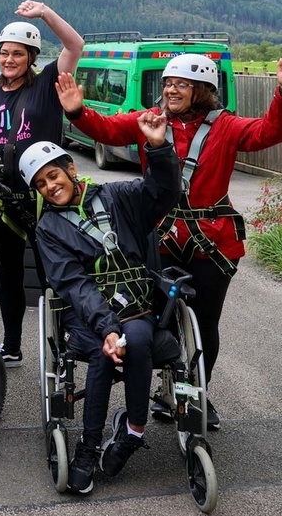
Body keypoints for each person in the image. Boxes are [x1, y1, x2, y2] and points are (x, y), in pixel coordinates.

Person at [56, 54, 282, 428]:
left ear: (203, 91)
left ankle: (197, 396)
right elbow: (109, 130)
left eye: (181, 84)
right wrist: (78, 112)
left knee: (205, 324)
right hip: (159, 239)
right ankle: (166, 390)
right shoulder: (149, 119)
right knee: (157, 323)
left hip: (211, 240)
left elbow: (268, 132)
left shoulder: (224, 127)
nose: (171, 90)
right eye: (167, 83)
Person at [19, 116, 180, 494]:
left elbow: (163, 192)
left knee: (138, 341)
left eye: (53, 177)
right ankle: (89, 445)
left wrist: (158, 148)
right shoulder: (48, 229)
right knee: (103, 353)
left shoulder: (117, 195)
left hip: (135, 303)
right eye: (41, 185)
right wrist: (107, 327)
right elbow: (72, 284)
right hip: (86, 312)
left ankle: (133, 430)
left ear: (71, 169)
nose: (50, 187)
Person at [0, 0, 84, 367]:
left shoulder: (47, 83)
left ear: (31, 56)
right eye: (4, 53)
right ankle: (12, 346)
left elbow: (75, 45)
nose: (8, 59)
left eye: (17, 53)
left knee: (54, 274)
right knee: (9, 276)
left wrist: (45, 13)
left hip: (44, 197)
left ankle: (64, 346)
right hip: (0, 199)